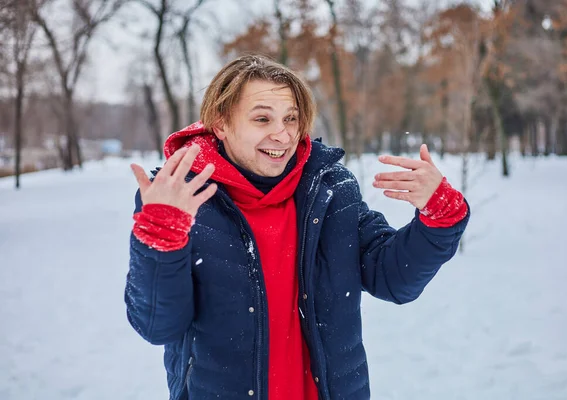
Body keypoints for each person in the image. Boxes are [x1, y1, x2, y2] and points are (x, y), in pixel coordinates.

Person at [125, 54, 469, 400]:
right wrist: (161, 234)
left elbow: (394, 277)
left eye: (291, 118)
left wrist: (441, 216)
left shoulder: (329, 188)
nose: (283, 134)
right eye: (262, 118)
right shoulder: (177, 199)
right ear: (221, 124)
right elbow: (158, 325)